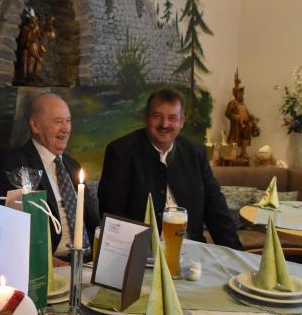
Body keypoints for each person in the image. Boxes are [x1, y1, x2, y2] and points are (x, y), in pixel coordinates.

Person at [98, 88, 241, 249]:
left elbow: (216, 208)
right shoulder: (121, 151)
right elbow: (112, 211)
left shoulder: (195, 152)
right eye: (157, 116)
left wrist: (237, 254)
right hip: (140, 251)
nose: (164, 124)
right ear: (145, 117)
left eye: (172, 118)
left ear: (181, 121)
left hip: (192, 250)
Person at [0, 93, 99, 256]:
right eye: (58, 122)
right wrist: (47, 264)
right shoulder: (12, 167)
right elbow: (6, 234)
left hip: (87, 262)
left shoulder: (72, 165)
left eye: (68, 121)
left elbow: (91, 222)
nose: (66, 128)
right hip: (50, 266)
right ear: (35, 125)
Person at [225, 70, 259, 158]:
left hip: (245, 125)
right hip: (237, 125)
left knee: (245, 137)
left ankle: (243, 152)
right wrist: (235, 116)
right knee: (234, 140)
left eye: (242, 93)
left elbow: (247, 114)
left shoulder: (243, 104)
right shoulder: (233, 103)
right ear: (236, 93)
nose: (242, 95)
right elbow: (227, 113)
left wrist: (253, 117)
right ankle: (232, 154)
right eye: (240, 93)